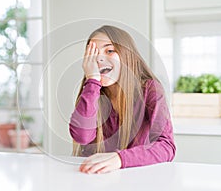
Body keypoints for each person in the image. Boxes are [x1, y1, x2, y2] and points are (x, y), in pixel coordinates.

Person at [69, 25, 175, 174]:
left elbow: (166, 146)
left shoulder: (150, 90)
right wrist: (92, 80)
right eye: (92, 54)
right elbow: (82, 136)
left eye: (109, 51)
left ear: (126, 55)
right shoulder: (91, 92)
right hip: (94, 178)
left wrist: (119, 159)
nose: (99, 59)